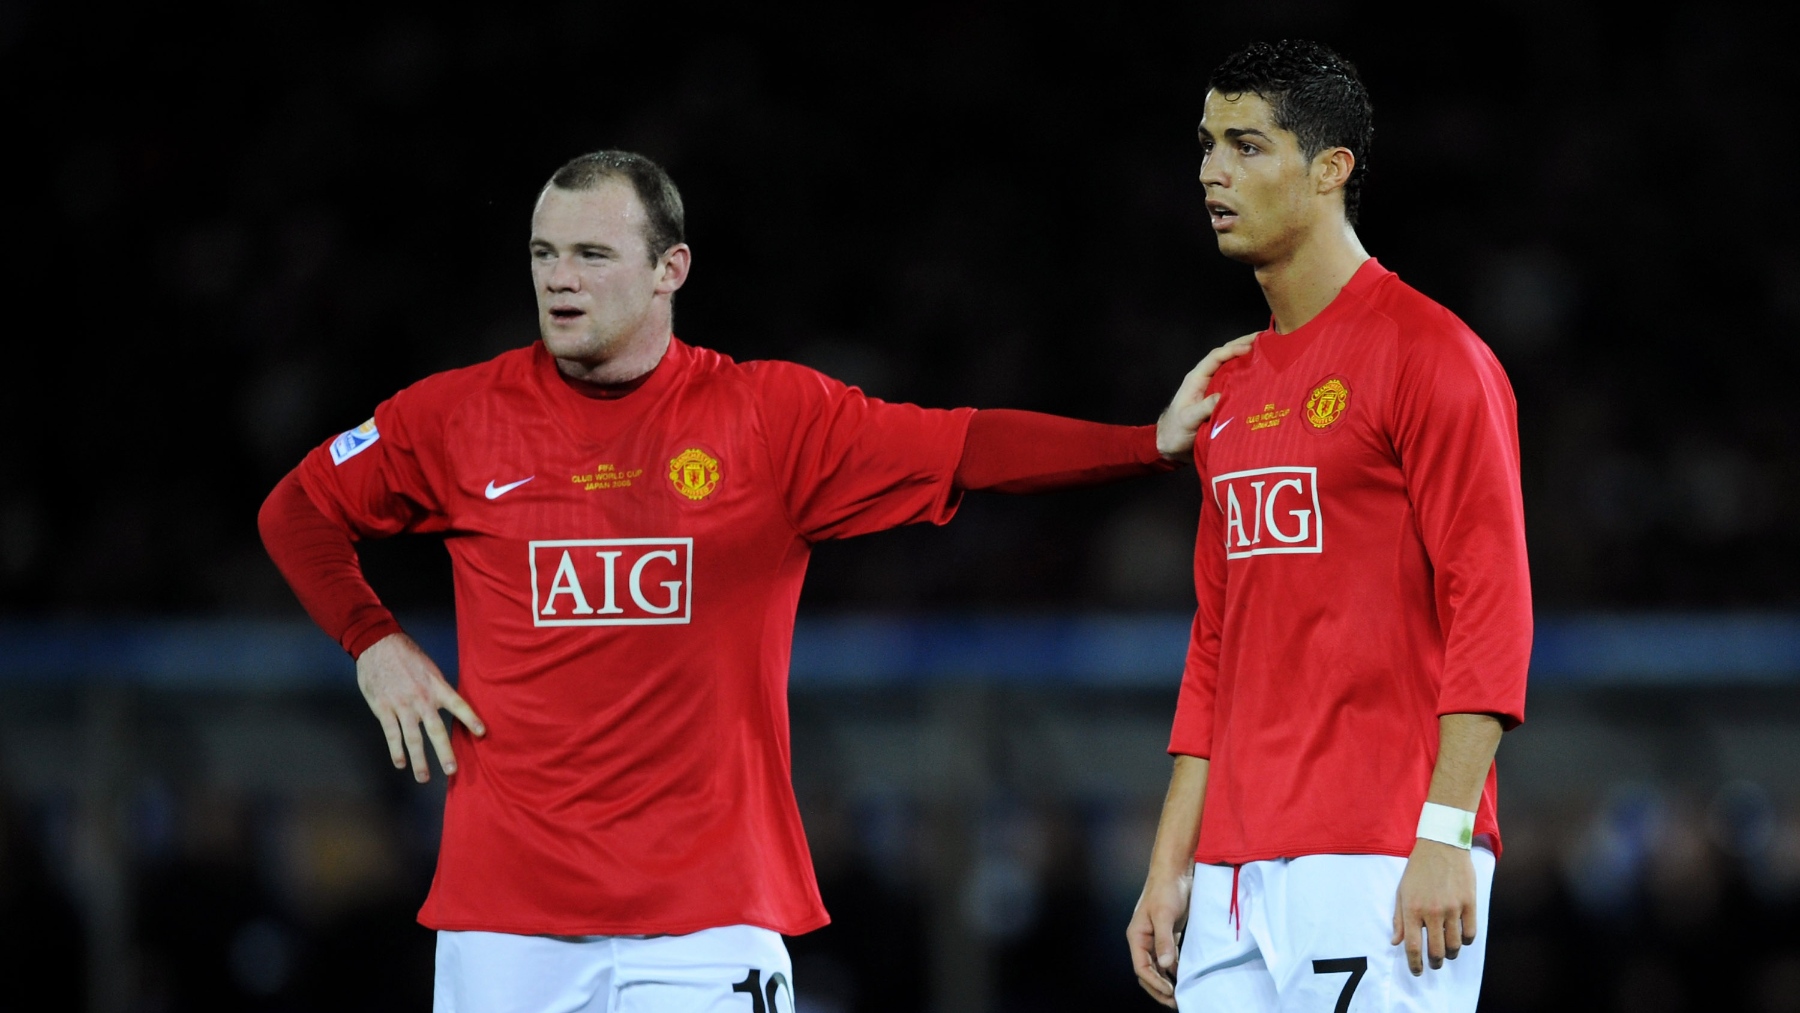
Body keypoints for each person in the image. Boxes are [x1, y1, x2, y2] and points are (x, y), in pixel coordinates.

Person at [259, 149, 1248, 1013]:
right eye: (543, 254)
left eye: (592, 254)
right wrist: (371, 639)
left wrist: (1143, 443)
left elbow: (963, 443)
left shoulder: (766, 420)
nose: (561, 280)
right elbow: (296, 509)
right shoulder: (457, 417)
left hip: (706, 916)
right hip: (506, 917)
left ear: (668, 270)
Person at [1125, 41, 1532, 1012]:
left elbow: (1493, 602)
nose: (1211, 172)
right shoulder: (1228, 392)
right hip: (1233, 867)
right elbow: (1216, 647)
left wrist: (1443, 831)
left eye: (1246, 146)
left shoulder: (1431, 354)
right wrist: (1170, 858)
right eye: (1206, 145)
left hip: (1380, 851)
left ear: (1329, 169)